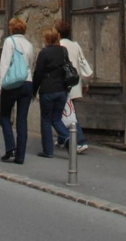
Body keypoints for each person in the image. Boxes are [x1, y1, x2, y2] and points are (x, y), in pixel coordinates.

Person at [0, 17, 36, 164]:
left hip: (12, 83)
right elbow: (30, 65)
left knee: (5, 116)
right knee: (22, 120)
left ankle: (10, 147)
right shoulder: (29, 45)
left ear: (12, 28)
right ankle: (20, 155)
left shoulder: (9, 41)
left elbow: (4, 64)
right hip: (27, 82)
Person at [55, 19, 93, 153]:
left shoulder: (58, 45)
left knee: (69, 115)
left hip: (63, 85)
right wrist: (85, 83)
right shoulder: (75, 45)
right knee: (64, 112)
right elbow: (83, 64)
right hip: (75, 84)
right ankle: (62, 139)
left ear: (58, 33)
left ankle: (80, 141)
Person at [31, 27, 70, 159]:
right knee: (56, 118)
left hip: (48, 90)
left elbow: (38, 73)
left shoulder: (44, 53)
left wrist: (33, 90)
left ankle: (48, 150)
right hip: (62, 89)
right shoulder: (63, 51)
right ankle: (68, 138)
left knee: (46, 120)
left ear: (47, 39)